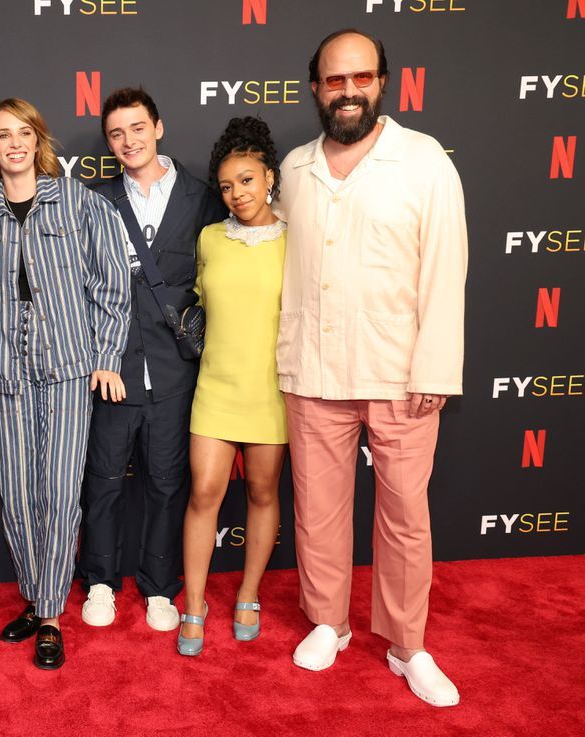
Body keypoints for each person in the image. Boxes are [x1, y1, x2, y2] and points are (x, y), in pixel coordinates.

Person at [278, 29, 467, 707]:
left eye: (360, 78)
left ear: (382, 82)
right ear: (316, 87)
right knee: (319, 511)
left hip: (400, 374)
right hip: (313, 371)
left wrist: (436, 367)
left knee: (405, 516)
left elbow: (448, 269)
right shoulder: (294, 167)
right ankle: (328, 622)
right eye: (334, 80)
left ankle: (407, 643)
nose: (348, 90)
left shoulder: (424, 161)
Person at [0, 98, 130, 670]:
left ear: (38, 140)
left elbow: (112, 286)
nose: (13, 143)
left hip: (67, 372)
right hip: (7, 375)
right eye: (2, 134)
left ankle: (52, 615)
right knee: (17, 497)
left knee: (58, 495)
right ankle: (37, 598)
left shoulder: (78, 203)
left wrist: (106, 356)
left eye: (23, 132)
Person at [80, 87, 224, 632]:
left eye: (137, 128)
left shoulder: (202, 197)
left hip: (174, 374)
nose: (128, 141)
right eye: (116, 133)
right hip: (111, 371)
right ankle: (99, 581)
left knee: (167, 484)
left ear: (158, 127)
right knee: (104, 482)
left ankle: (161, 588)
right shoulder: (94, 199)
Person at [176, 117, 288, 656]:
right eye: (226, 185)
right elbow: (199, 303)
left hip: (271, 391)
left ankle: (248, 594)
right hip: (215, 387)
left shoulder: (296, 241)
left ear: (268, 176)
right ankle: (193, 604)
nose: (236, 193)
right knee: (203, 494)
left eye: (246, 180)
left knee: (263, 493)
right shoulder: (209, 238)